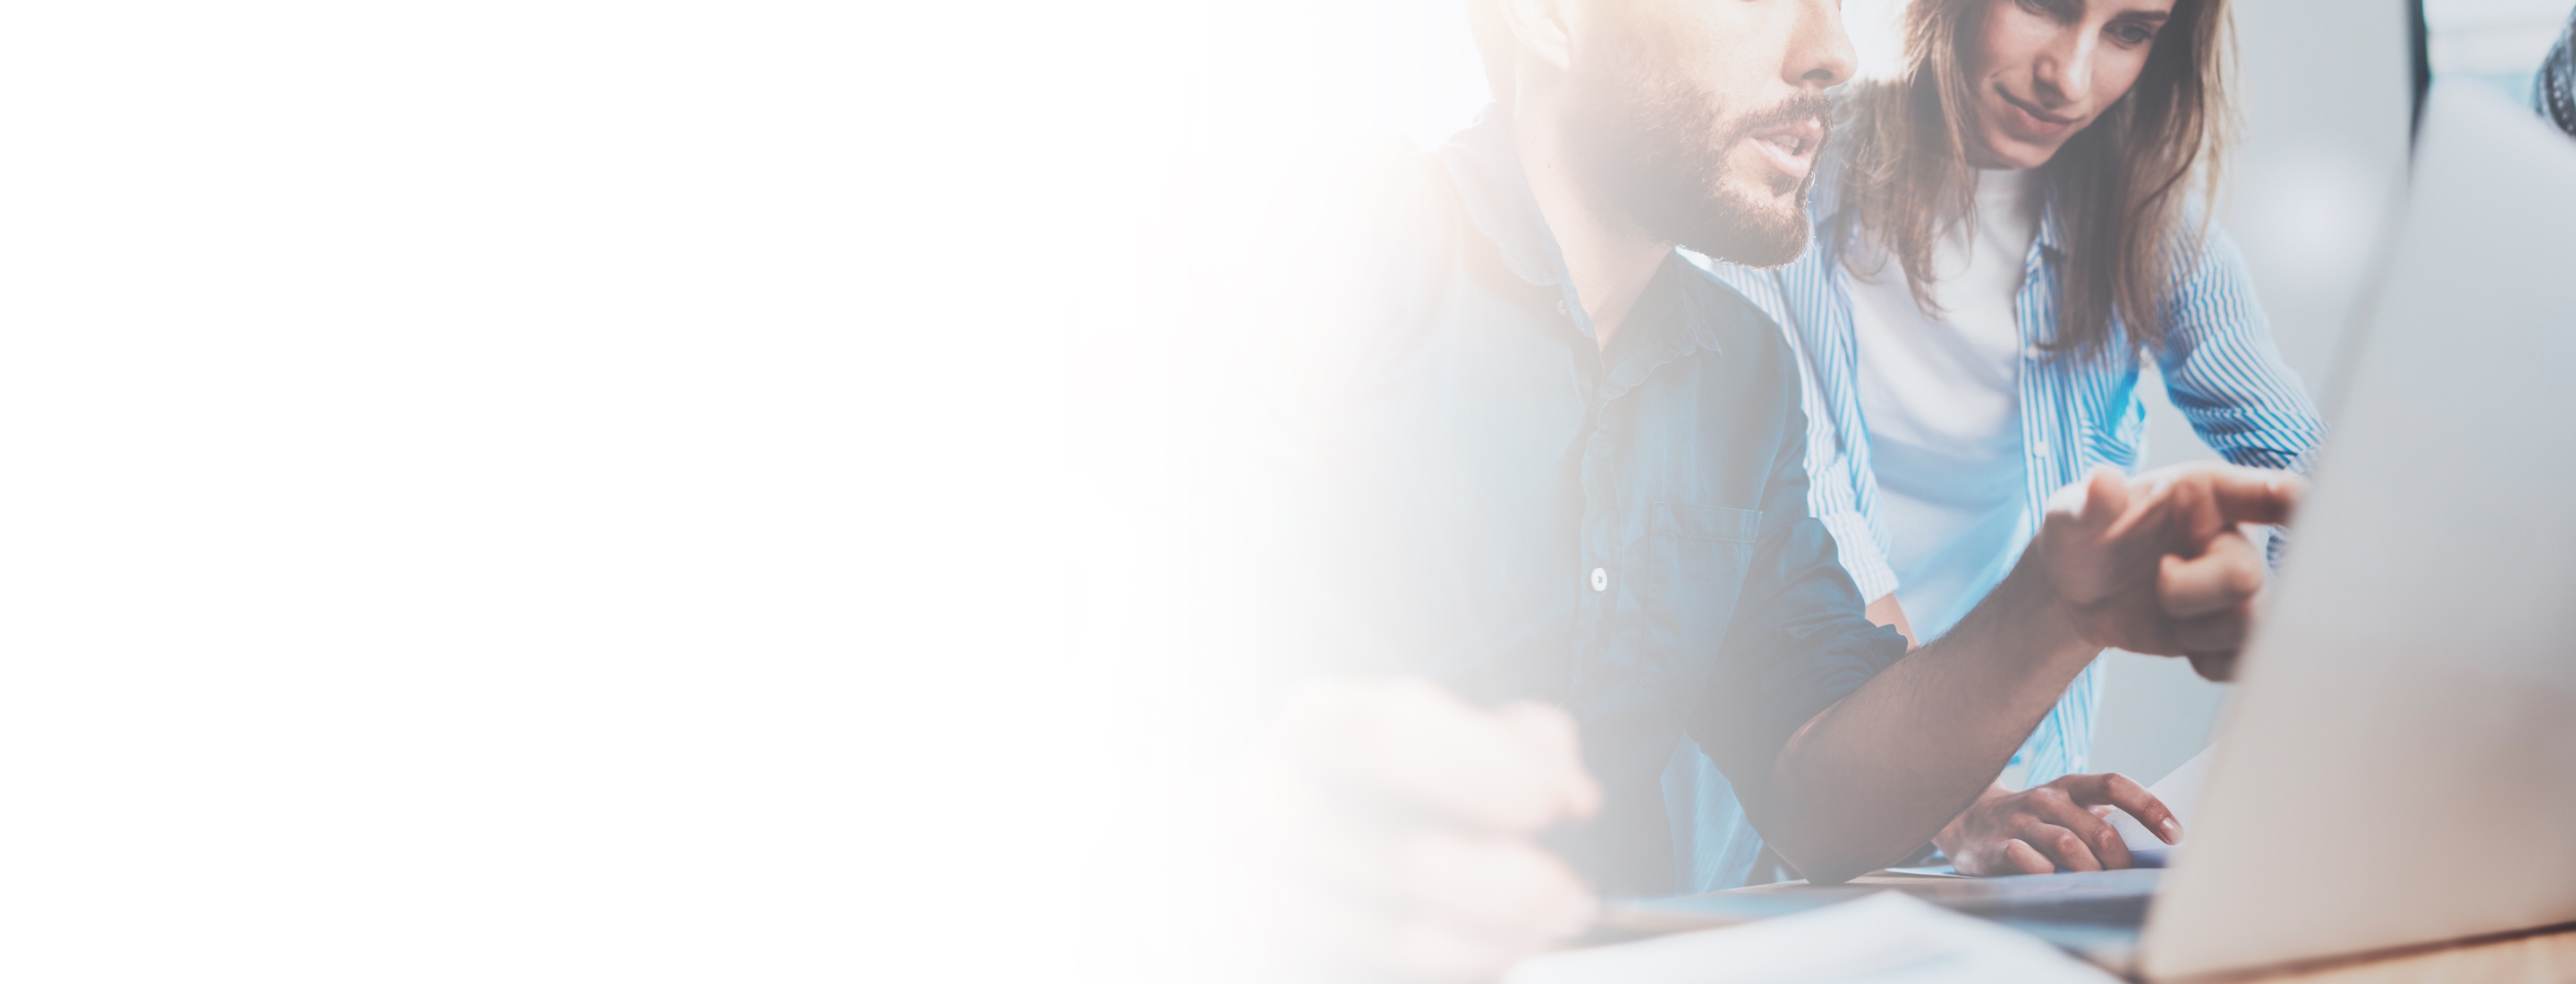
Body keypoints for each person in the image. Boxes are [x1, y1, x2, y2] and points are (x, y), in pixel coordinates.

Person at [1199, 0, 2303, 977]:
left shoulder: (1741, 372)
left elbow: (1817, 791)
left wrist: (2054, 611)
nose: (1831, 52)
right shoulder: (1324, 254)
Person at [1690, 0, 2323, 880]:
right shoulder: (1774, 192)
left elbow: (2308, 481)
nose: (2069, 76)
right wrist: (1953, 800)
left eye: (2130, 32)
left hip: (2022, 808)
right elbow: (1823, 531)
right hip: (1801, 796)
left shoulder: (2153, 234)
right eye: (2048, 7)